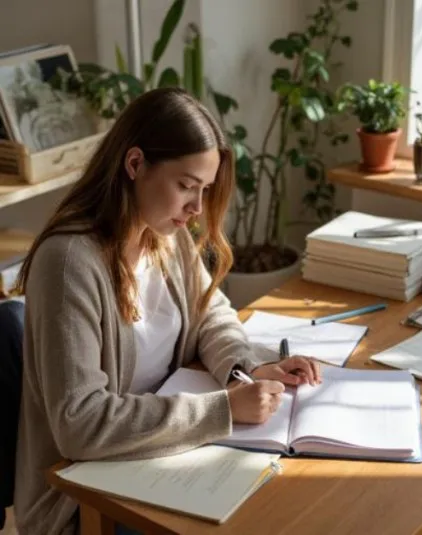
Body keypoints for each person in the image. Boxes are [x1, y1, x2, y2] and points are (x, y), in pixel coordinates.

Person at [12, 87, 323, 535]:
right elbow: (80, 424)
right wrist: (223, 411)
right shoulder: (69, 263)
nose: (196, 209)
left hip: (160, 456)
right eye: (185, 186)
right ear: (135, 164)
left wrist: (248, 369)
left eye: (205, 190)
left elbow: (211, 314)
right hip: (83, 499)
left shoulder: (165, 236)